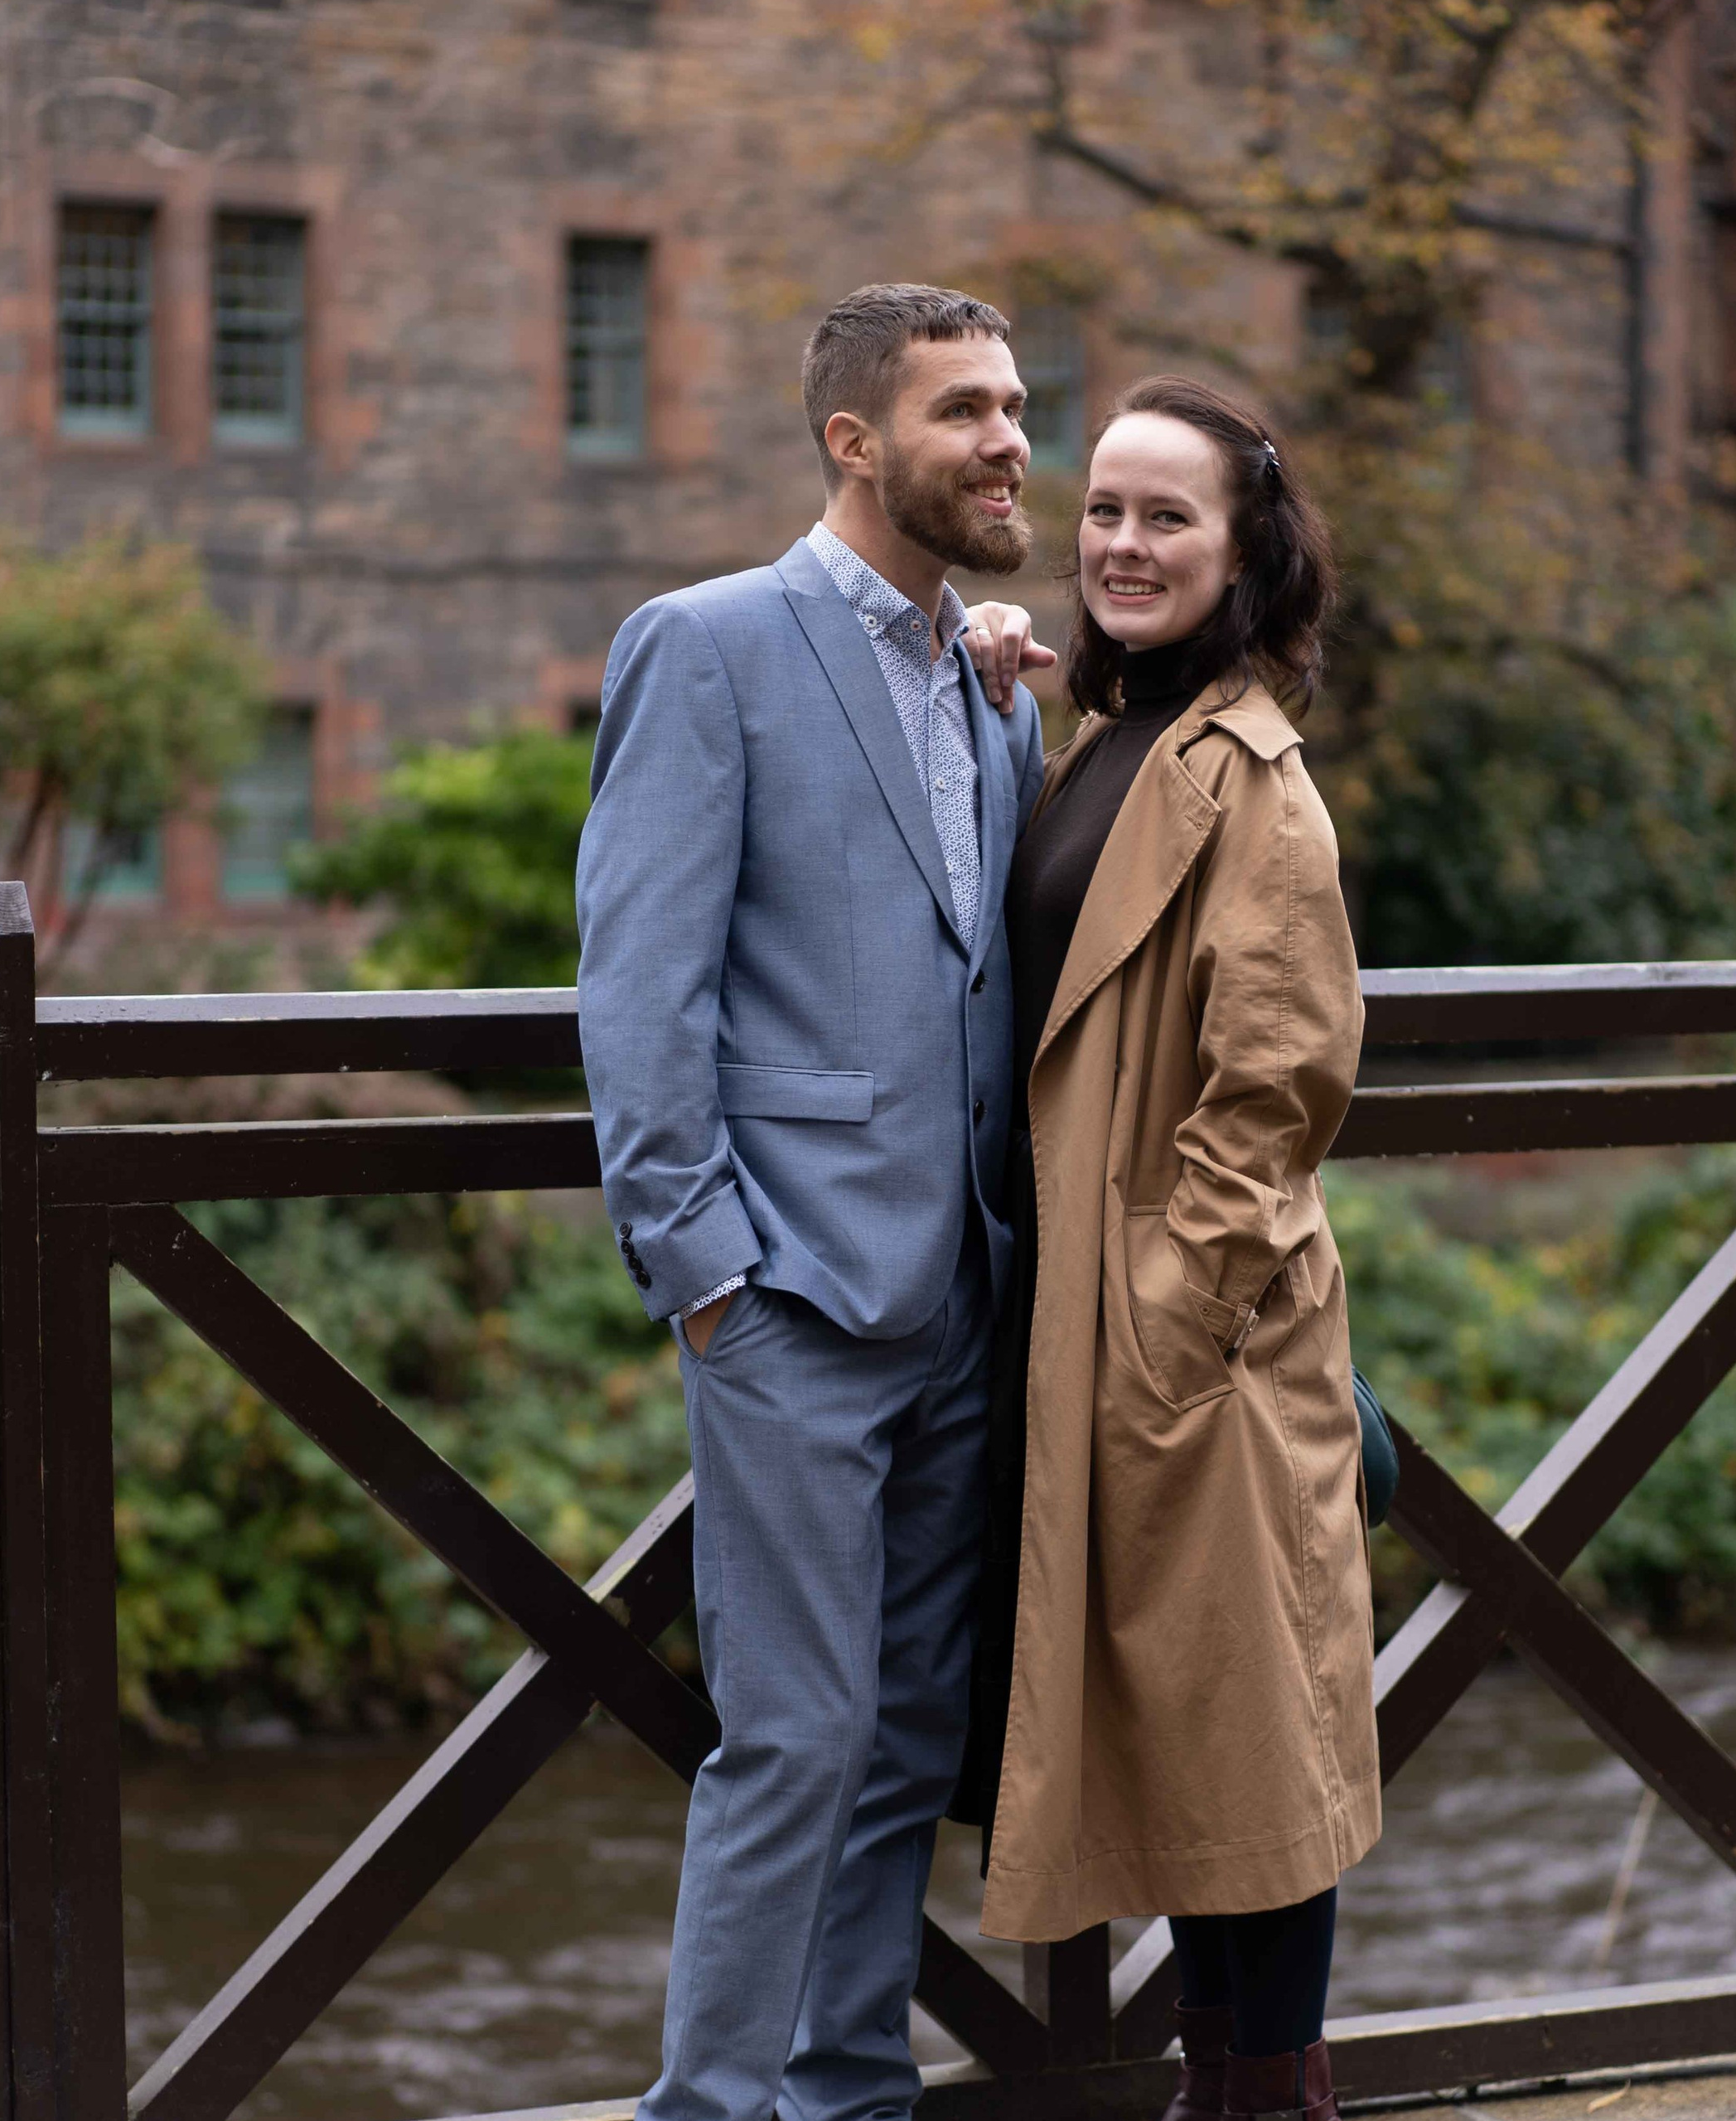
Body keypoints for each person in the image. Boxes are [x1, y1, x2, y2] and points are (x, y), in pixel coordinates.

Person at [575, 283, 1047, 2121]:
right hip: (782, 1301)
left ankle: (849, 2091)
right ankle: (709, 2109)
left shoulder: (986, 677)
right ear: (854, 441)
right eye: (962, 412)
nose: (1008, 439)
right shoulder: (705, 645)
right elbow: (639, 992)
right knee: (787, 1739)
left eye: (1014, 404)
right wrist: (705, 1276)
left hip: (961, 1303)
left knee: (905, 1734)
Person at [960, 377, 1380, 2121]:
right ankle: (1219, 2088)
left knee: (1252, 1754)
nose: (1121, 544)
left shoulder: (1250, 781)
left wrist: (1165, 1319)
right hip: (1090, 1320)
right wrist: (965, 670)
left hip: (1186, 1339)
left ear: (1243, 548)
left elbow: (1273, 1089)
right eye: (1104, 513)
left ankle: (1262, 2099)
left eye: (1166, 518)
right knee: (1198, 1744)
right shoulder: (1105, 737)